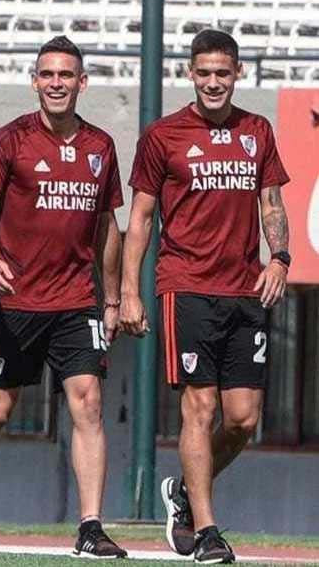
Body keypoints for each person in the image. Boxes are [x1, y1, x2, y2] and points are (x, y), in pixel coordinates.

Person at [0, 36, 127, 559]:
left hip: (76, 301)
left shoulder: (101, 147)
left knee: (88, 402)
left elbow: (109, 228)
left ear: (82, 82)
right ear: (35, 81)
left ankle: (89, 527)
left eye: (66, 75)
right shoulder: (9, 140)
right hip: (16, 301)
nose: (57, 83)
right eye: (47, 74)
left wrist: (113, 300)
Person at [120, 29, 290, 565]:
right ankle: (209, 530)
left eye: (223, 72)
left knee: (242, 418)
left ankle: (184, 494)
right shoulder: (163, 135)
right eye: (204, 72)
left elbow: (272, 204)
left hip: (245, 289)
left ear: (237, 73)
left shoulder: (256, 130)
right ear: (190, 74)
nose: (214, 82)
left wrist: (280, 258)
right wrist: (130, 291)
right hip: (186, 286)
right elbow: (141, 219)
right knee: (200, 406)